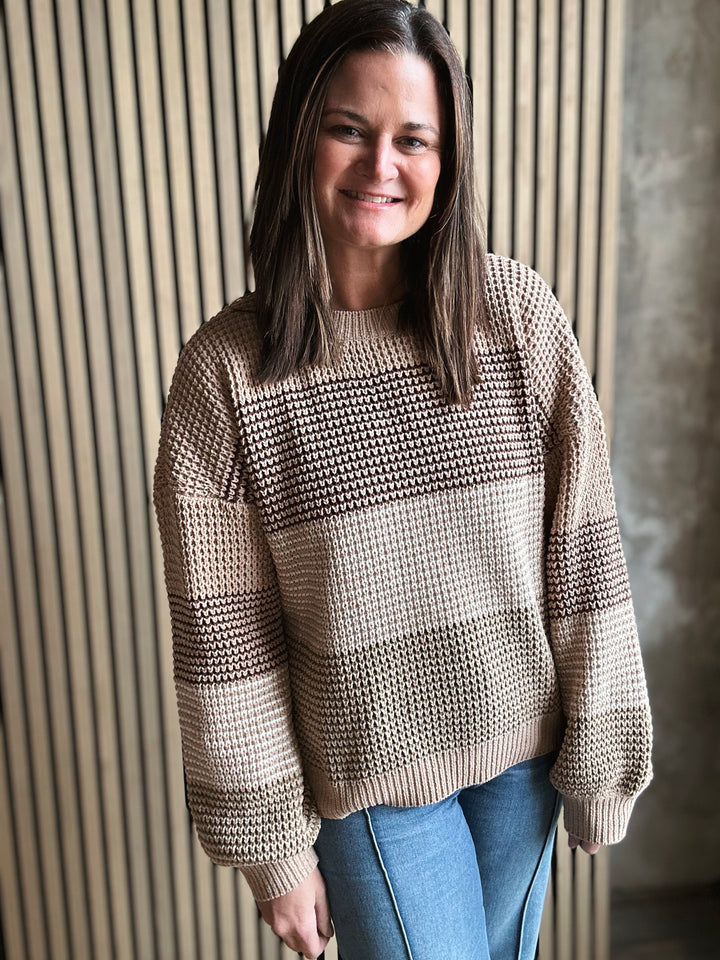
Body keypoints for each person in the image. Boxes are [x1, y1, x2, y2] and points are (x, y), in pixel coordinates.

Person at [153, 1, 653, 958]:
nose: (383, 165)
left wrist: (602, 750)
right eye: (350, 128)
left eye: (413, 138)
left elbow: (583, 548)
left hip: (525, 764)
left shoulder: (514, 318)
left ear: (448, 158)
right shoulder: (227, 372)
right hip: (373, 787)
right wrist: (275, 853)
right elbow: (225, 640)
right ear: (302, 136)